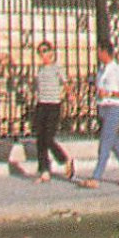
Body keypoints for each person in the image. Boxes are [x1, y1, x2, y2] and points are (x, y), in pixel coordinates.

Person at [78, 44, 119, 189]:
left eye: (99, 52)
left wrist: (110, 94)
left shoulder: (118, 70)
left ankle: (96, 177)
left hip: (114, 108)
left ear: (106, 53)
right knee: (114, 143)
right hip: (103, 108)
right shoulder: (101, 71)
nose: (97, 55)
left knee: (104, 143)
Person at [31, 42, 75, 183]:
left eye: (44, 51)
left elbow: (66, 83)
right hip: (41, 104)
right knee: (40, 139)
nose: (42, 55)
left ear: (51, 53)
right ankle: (44, 171)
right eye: (40, 52)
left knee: (48, 138)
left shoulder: (57, 68)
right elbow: (37, 86)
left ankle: (64, 159)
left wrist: (70, 95)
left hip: (53, 105)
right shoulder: (40, 69)